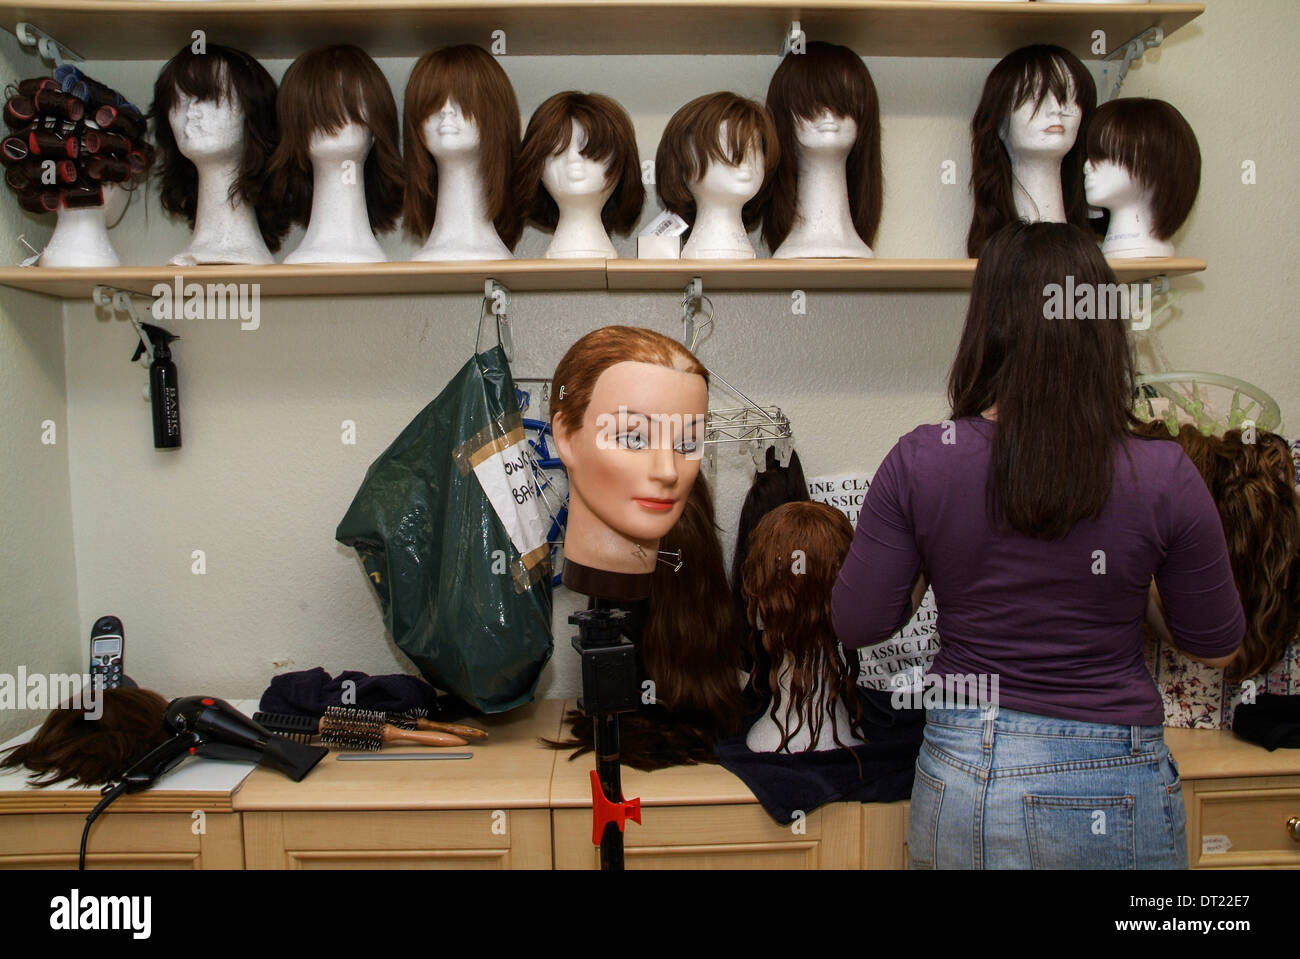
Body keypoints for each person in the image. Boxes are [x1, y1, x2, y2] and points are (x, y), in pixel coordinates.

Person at [830, 221, 1244, 869]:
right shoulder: (1163, 472)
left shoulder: (923, 459)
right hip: (1109, 769)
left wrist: (930, 568)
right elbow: (1217, 646)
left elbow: (856, 624)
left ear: (986, 323)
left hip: (965, 768)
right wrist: (1132, 591)